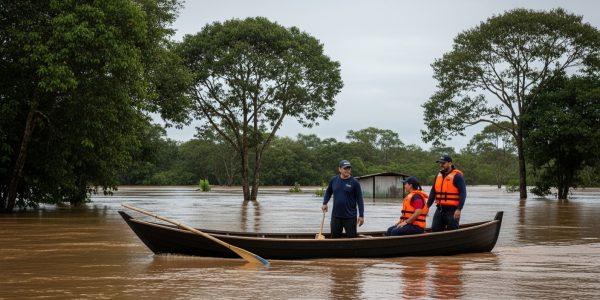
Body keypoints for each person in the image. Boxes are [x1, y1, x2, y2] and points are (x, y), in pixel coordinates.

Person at [322, 160, 364, 238]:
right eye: (345, 168)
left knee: (352, 240)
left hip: (350, 217)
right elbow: (328, 192)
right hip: (336, 216)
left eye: (349, 168)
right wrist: (325, 203)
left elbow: (360, 200)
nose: (347, 170)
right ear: (340, 169)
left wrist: (361, 215)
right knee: (335, 239)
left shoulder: (355, 182)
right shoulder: (334, 180)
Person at [427, 154, 466, 232]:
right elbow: (433, 193)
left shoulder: (457, 176)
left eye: (443, 163)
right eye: (440, 163)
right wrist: (427, 207)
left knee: (452, 231)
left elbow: (463, 193)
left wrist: (459, 209)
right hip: (440, 209)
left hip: (452, 210)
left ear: (450, 163)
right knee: (435, 230)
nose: (441, 165)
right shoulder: (438, 176)